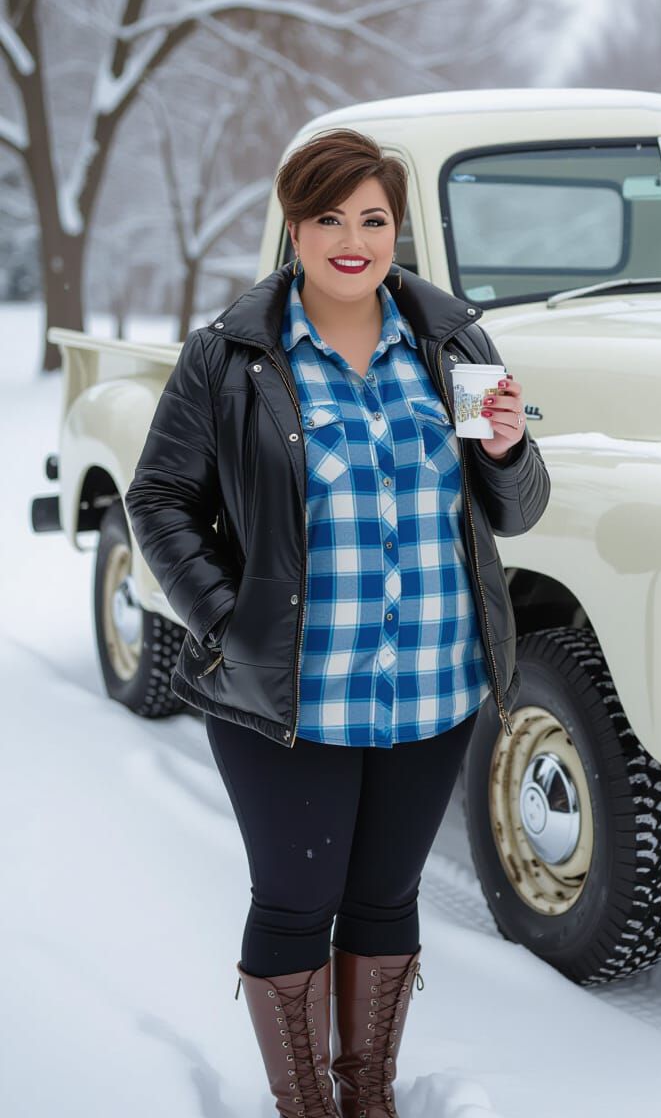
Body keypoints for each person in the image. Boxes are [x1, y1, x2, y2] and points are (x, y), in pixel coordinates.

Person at [124, 126, 550, 1118]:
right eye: (329, 218)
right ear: (294, 224)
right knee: (293, 904)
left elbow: (517, 509)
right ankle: (304, 1106)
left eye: (374, 218)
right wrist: (228, 619)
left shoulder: (452, 343)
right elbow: (157, 500)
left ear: (398, 228)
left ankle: (369, 1095)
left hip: (430, 687)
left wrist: (504, 451)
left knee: (383, 903)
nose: (352, 239)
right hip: (289, 695)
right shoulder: (230, 355)